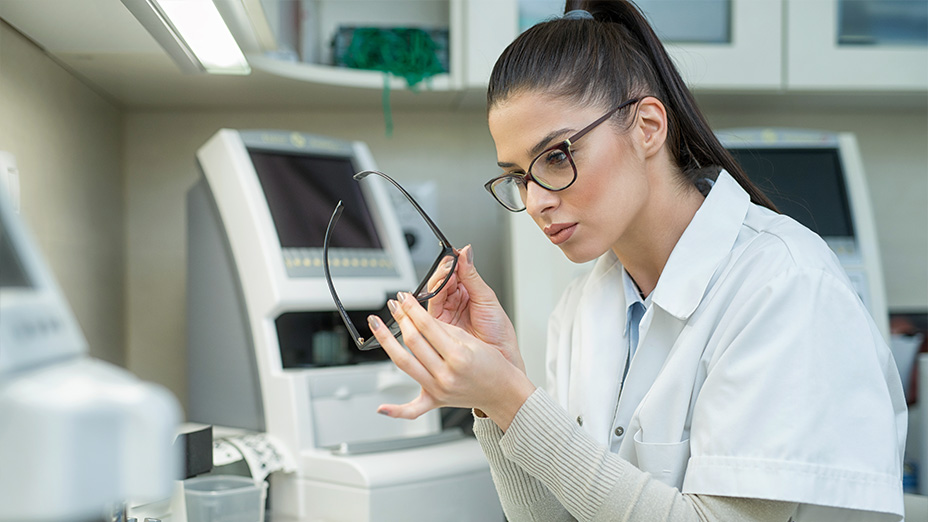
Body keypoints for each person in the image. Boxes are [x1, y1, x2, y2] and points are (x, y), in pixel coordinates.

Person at [365, 1, 907, 520]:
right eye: (517, 176)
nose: (535, 201)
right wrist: (496, 395)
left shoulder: (785, 286)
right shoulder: (584, 306)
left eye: (556, 156)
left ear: (648, 126)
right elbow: (553, 520)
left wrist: (513, 399)